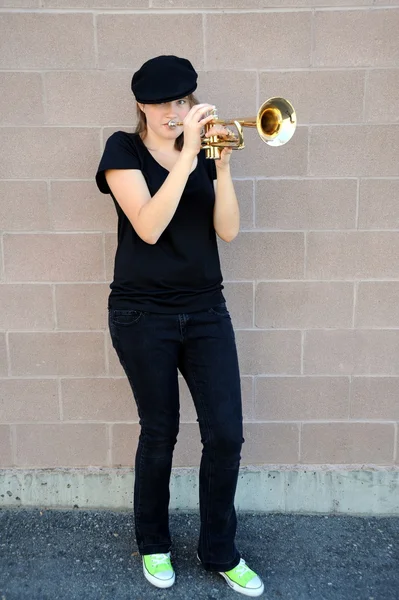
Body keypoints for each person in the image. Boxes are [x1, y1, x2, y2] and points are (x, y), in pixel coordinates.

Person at [95, 55, 264, 597]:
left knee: (227, 434)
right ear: (141, 106)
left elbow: (229, 232)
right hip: (142, 312)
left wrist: (222, 165)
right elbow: (147, 226)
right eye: (165, 103)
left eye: (184, 101)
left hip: (206, 308)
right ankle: (154, 544)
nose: (176, 111)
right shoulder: (122, 150)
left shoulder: (205, 152)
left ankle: (220, 549)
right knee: (161, 431)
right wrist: (188, 157)